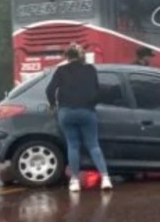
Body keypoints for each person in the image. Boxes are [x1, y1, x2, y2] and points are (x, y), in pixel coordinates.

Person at [46, 43, 113, 192]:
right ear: (80, 56)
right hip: (86, 111)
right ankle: (106, 179)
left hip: (66, 112)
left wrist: (53, 105)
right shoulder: (90, 69)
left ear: (67, 57)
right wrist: (92, 103)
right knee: (93, 145)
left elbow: (50, 89)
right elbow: (97, 90)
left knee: (73, 146)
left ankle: (75, 181)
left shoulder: (61, 70)